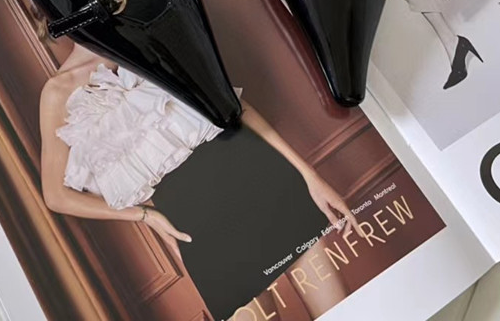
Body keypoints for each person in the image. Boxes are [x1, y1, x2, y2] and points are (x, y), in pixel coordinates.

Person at [38, 41, 357, 320]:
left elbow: (235, 107)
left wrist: (310, 176)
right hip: (199, 228)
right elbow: (56, 196)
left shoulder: (146, 37)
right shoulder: (57, 93)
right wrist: (144, 216)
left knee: (344, 313)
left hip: (261, 184)